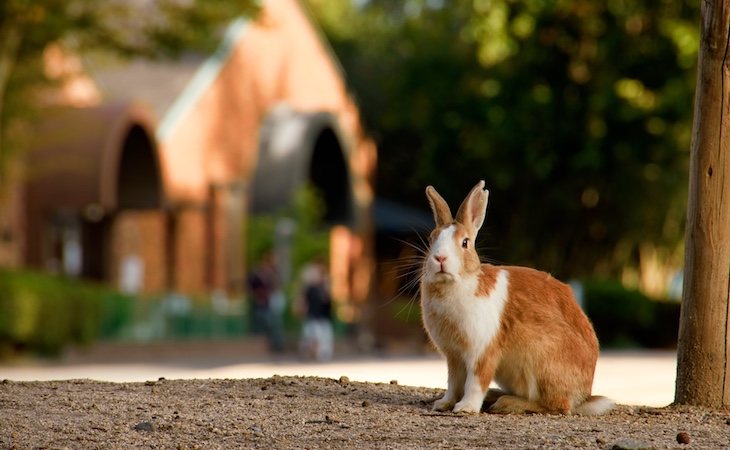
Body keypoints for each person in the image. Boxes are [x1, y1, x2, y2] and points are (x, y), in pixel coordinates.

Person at [295, 257, 334, 361]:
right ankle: (308, 352)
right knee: (310, 335)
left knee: (324, 336)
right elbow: (304, 301)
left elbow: (327, 302)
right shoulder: (310, 288)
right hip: (312, 315)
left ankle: (322, 354)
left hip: (323, 316)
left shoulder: (325, 287)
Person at [247, 251, 285, 353]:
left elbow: (276, 285)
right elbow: (252, 286)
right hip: (261, 302)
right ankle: (268, 342)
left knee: (274, 323)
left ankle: (276, 344)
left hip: (269, 302)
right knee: (265, 321)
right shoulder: (258, 274)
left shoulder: (274, 272)